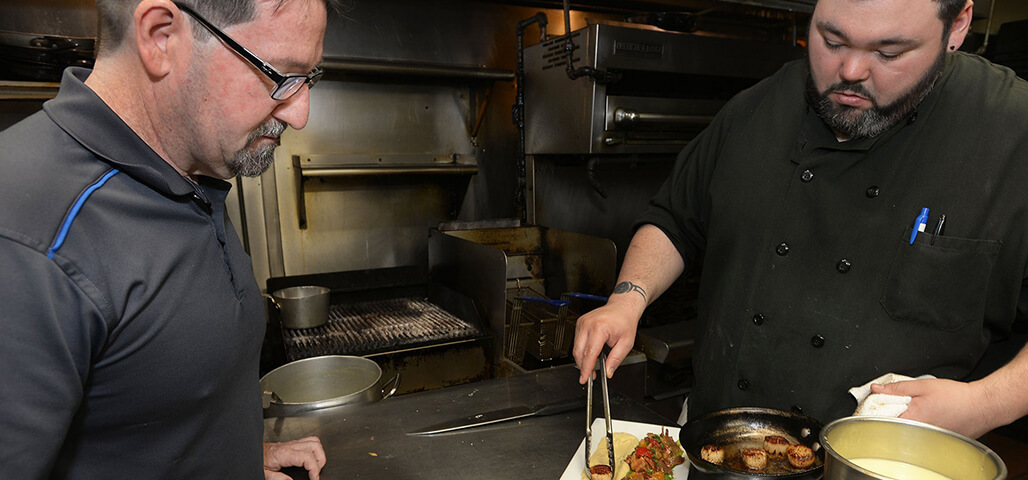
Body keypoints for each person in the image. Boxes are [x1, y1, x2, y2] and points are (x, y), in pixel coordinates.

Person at [573, 0, 1028, 440]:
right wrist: (628, 298)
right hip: (721, 445)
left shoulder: (1012, 132)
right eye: (831, 40)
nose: (850, 71)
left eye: (889, 53)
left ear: (958, 26)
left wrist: (984, 404)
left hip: (892, 466)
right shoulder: (756, 109)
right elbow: (676, 218)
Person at [0, 0, 341, 477]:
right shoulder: (30, 238)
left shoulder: (188, 167)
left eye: (310, 78)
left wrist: (239, 457)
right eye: (281, 76)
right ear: (161, 37)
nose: (300, 113)